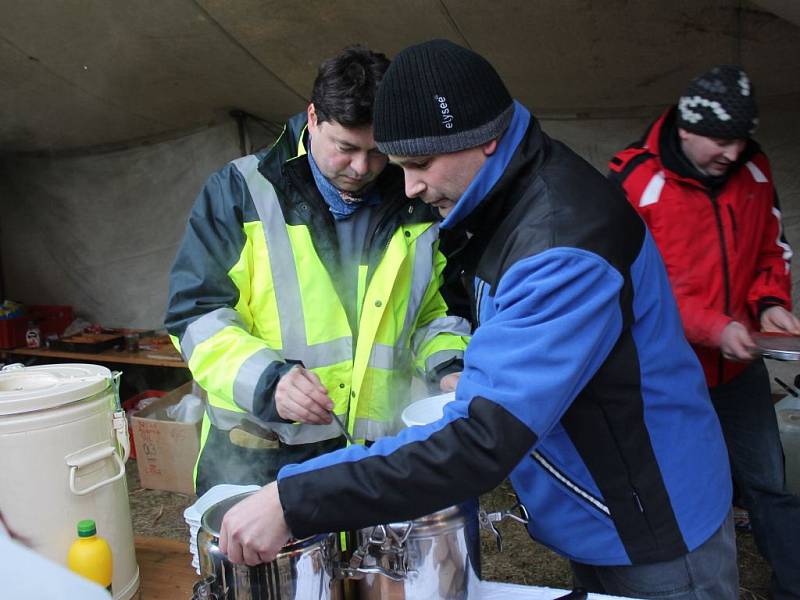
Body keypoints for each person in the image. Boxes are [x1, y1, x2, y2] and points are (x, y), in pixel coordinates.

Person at [218, 40, 737, 599]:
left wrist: (293, 499)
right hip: (605, 506)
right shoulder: (500, 199)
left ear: (485, 138)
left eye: (419, 165)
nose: (410, 187)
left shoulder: (561, 245)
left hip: (652, 522)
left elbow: (481, 440)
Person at [165, 45, 470, 496]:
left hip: (376, 458)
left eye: (378, 151)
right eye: (345, 148)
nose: (362, 168)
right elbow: (195, 316)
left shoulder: (418, 202)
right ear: (312, 118)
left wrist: (449, 365)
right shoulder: (240, 191)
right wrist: (270, 382)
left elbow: (431, 316)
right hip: (261, 457)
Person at [609, 64, 800, 599]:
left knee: (769, 481)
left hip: (740, 369)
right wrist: (713, 327)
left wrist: (770, 304)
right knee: (683, 492)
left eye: (741, 139)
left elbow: (773, 248)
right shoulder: (633, 181)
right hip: (667, 375)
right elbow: (625, 287)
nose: (733, 154)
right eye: (721, 140)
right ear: (686, 128)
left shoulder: (755, 170)